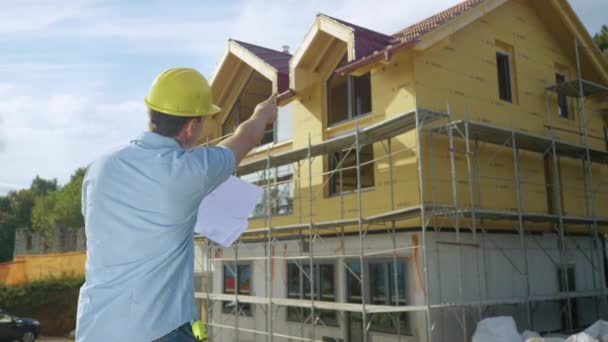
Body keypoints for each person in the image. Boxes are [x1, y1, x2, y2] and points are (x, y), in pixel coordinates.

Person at [76, 67, 278, 341]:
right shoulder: (190, 171)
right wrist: (263, 113)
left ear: (152, 113)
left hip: (95, 329)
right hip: (157, 331)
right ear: (192, 126)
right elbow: (247, 136)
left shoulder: (99, 168)